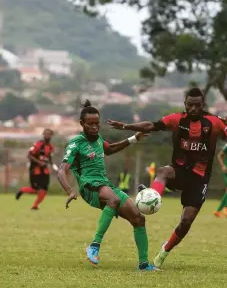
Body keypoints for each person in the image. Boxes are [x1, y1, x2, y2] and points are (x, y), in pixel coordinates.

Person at [107, 87, 227, 269]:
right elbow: (151, 126)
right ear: (185, 104)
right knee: (163, 171)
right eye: (189, 105)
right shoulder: (177, 119)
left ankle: (165, 250)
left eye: (197, 105)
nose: (193, 109)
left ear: (203, 105)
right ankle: (151, 197)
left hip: (200, 178)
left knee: (186, 221)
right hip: (178, 171)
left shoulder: (214, 122)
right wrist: (126, 126)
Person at [57, 100, 158, 271]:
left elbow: (109, 149)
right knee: (113, 199)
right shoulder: (76, 143)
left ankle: (143, 264)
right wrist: (70, 190)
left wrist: (134, 138)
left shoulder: (98, 140)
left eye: (97, 123)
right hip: (89, 186)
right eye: (90, 124)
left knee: (138, 218)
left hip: (104, 184)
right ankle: (94, 246)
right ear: (82, 124)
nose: (95, 127)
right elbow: (61, 171)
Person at [16, 128, 58, 210]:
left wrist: (54, 166)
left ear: (51, 136)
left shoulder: (50, 147)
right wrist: (39, 162)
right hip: (35, 170)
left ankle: (35, 206)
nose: (47, 136)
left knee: (44, 190)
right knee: (35, 190)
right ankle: (22, 190)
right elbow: (29, 155)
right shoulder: (38, 145)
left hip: (45, 171)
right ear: (43, 135)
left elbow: (49, 157)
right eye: (46, 134)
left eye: (49, 134)